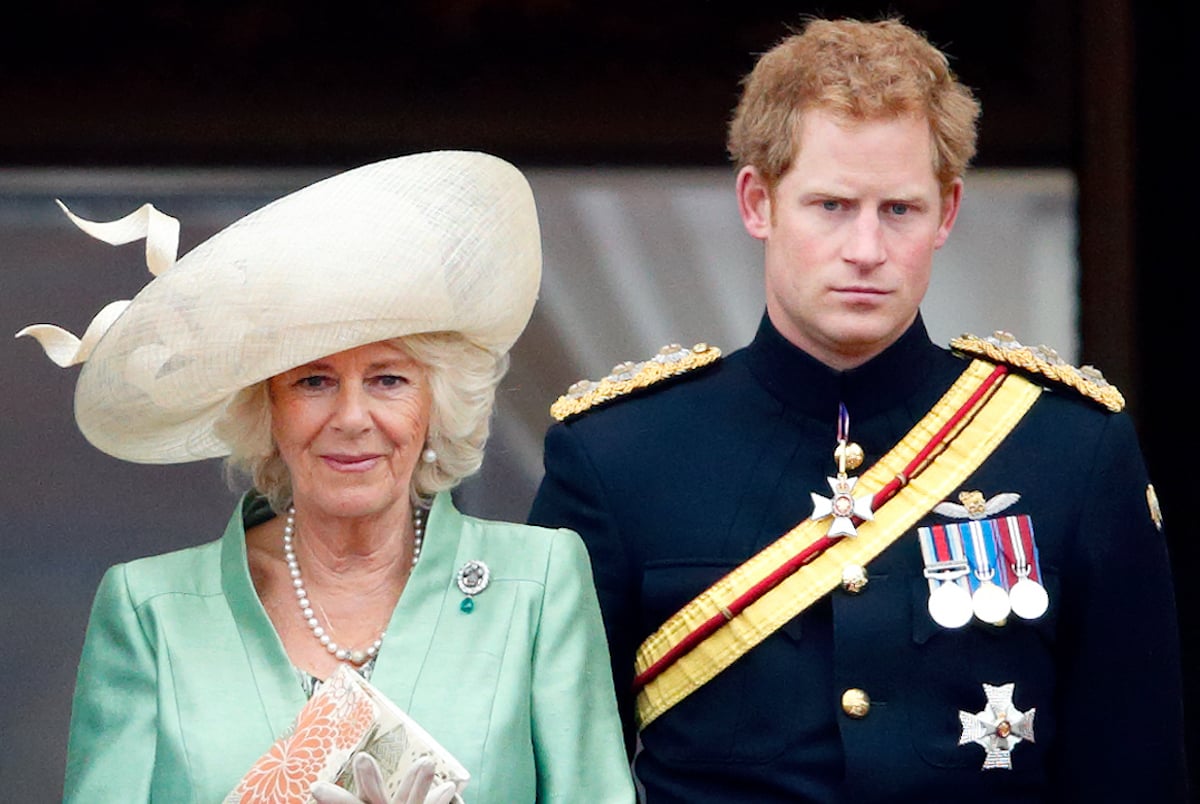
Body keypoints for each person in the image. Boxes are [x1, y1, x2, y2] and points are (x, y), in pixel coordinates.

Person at [528, 17, 1188, 802]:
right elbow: (547, 767)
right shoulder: (619, 456)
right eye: (832, 206)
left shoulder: (1071, 450)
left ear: (947, 212)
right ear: (758, 202)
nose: (867, 249)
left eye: (899, 210)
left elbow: (1134, 773)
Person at [19, 151, 636, 803]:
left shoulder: (536, 585)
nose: (351, 418)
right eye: (312, 381)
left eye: (389, 379)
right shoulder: (151, 610)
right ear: (267, 408)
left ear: (436, 403)